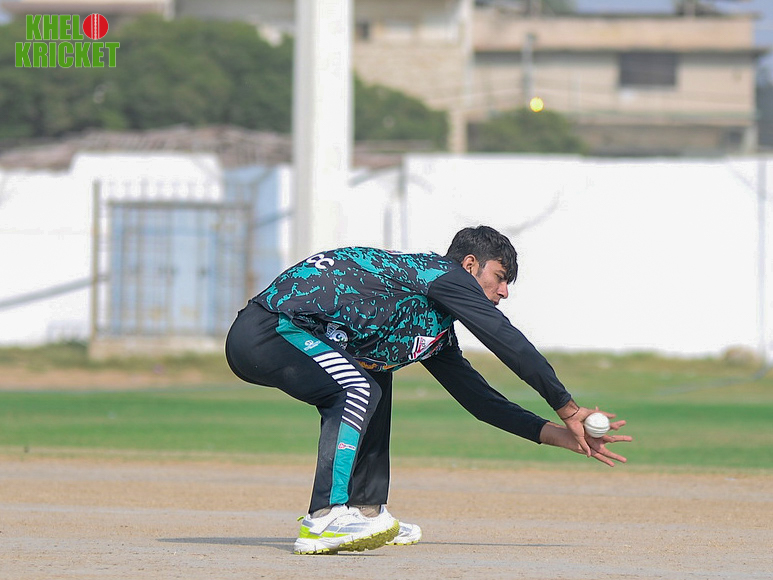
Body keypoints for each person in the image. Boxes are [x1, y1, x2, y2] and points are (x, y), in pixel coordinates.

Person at [225, 225, 631, 555]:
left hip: (288, 334)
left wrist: (557, 435)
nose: (504, 291)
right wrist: (567, 407)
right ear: (470, 265)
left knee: (374, 373)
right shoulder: (441, 274)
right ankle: (324, 518)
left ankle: (365, 512)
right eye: (500, 277)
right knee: (356, 388)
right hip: (269, 329)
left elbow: (479, 400)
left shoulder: (431, 322)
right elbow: (506, 340)